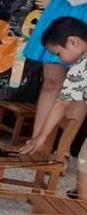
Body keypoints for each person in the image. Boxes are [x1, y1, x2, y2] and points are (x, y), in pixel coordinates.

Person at [20, 0, 87, 139]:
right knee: (51, 81)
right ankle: (37, 143)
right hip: (62, 8)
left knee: (80, 89)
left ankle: (62, 150)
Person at [20, 16, 87, 200]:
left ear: (73, 41)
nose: (60, 60)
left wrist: (41, 136)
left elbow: (62, 104)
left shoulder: (81, 67)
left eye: (58, 53)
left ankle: (83, 203)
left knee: (85, 163)